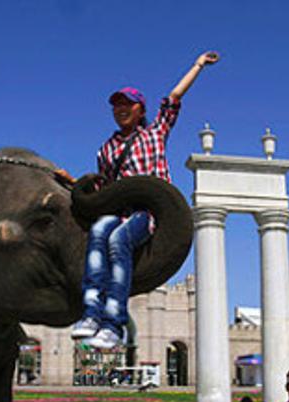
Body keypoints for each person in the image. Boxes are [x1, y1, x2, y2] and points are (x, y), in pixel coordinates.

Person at [72, 51, 220, 349]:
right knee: (99, 232)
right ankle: (90, 313)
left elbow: (174, 97)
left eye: (128, 104)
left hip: (149, 211)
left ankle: (114, 323)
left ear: (141, 110)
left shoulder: (155, 133)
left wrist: (198, 65)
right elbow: (104, 188)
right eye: (117, 105)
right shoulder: (107, 149)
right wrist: (71, 182)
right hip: (120, 208)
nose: (121, 109)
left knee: (117, 241)